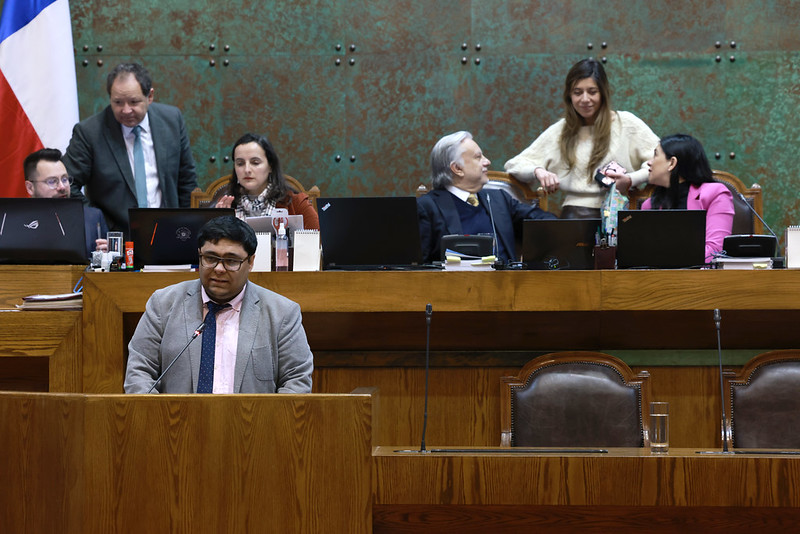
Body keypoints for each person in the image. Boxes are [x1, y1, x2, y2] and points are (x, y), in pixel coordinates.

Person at [124, 215, 314, 394]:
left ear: (250, 262)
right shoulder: (163, 304)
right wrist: (160, 419)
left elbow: (297, 379)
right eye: (211, 258)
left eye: (231, 261)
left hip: (250, 425)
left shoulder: (282, 313)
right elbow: (139, 372)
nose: (219, 269)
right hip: (177, 424)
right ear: (200, 256)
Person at [504, 58, 659, 219]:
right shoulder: (561, 130)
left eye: (592, 92)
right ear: (569, 96)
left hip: (621, 213)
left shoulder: (626, 123)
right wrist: (538, 171)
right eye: (577, 93)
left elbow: (662, 162)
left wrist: (630, 180)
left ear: (603, 93)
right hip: (575, 215)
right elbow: (514, 165)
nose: (585, 99)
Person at [63, 62, 198, 233]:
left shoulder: (172, 120)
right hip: (114, 237)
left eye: (133, 102)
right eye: (118, 102)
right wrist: (98, 223)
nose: (126, 110)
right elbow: (67, 184)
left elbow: (187, 181)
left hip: (168, 231)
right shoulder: (89, 132)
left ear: (150, 96)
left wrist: (184, 229)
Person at [417, 131, 556, 263]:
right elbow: (418, 266)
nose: (487, 161)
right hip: (456, 285)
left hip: (508, 284)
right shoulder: (428, 207)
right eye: (478, 157)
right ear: (457, 168)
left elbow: (542, 222)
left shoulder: (499, 199)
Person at [643, 133, 734, 262]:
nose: (649, 163)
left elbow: (715, 252)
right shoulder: (649, 205)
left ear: (672, 163)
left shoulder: (715, 194)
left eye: (656, 155)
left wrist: (665, 258)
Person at [213, 133, 319, 229]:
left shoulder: (296, 203)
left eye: (255, 162)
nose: (247, 170)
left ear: (270, 166)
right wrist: (219, 225)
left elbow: (318, 241)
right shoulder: (226, 205)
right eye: (240, 163)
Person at [23, 148, 108, 257]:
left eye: (64, 179)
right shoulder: (15, 221)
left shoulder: (93, 217)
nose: (62, 187)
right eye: (52, 181)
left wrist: (108, 256)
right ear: (30, 187)